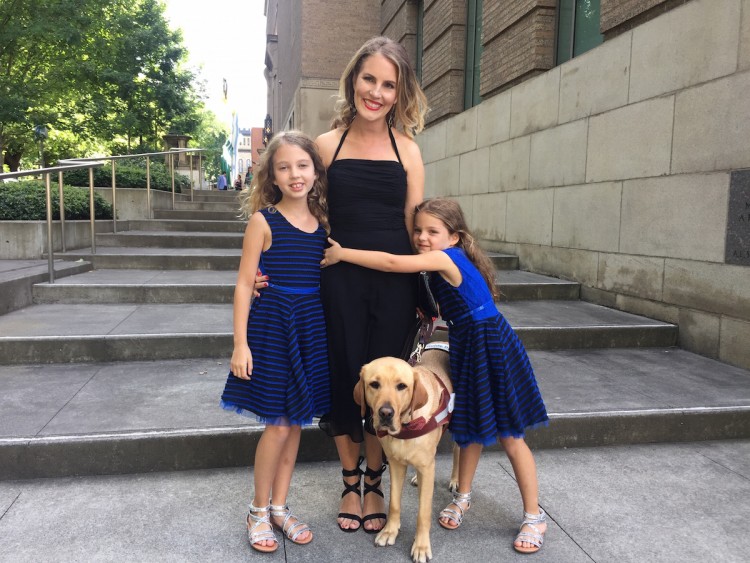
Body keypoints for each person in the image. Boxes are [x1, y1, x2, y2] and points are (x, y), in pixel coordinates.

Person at [321, 197, 550, 554]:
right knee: (470, 426)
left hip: (490, 347)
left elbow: (392, 262)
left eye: (433, 231)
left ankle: (534, 515)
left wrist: (342, 254)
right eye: (417, 230)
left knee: (509, 433)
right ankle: (462, 497)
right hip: (469, 345)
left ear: (454, 237)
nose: (422, 237)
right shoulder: (444, 263)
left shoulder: (446, 258)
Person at [220, 130, 331, 553]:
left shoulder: (324, 226)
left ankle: (280, 506)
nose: (294, 174)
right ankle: (258, 510)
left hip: (310, 329)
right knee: (278, 424)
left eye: (302, 165)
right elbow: (245, 285)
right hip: (272, 330)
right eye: (283, 167)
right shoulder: (262, 221)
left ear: (316, 172)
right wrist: (240, 344)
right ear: (272, 175)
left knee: (296, 422)